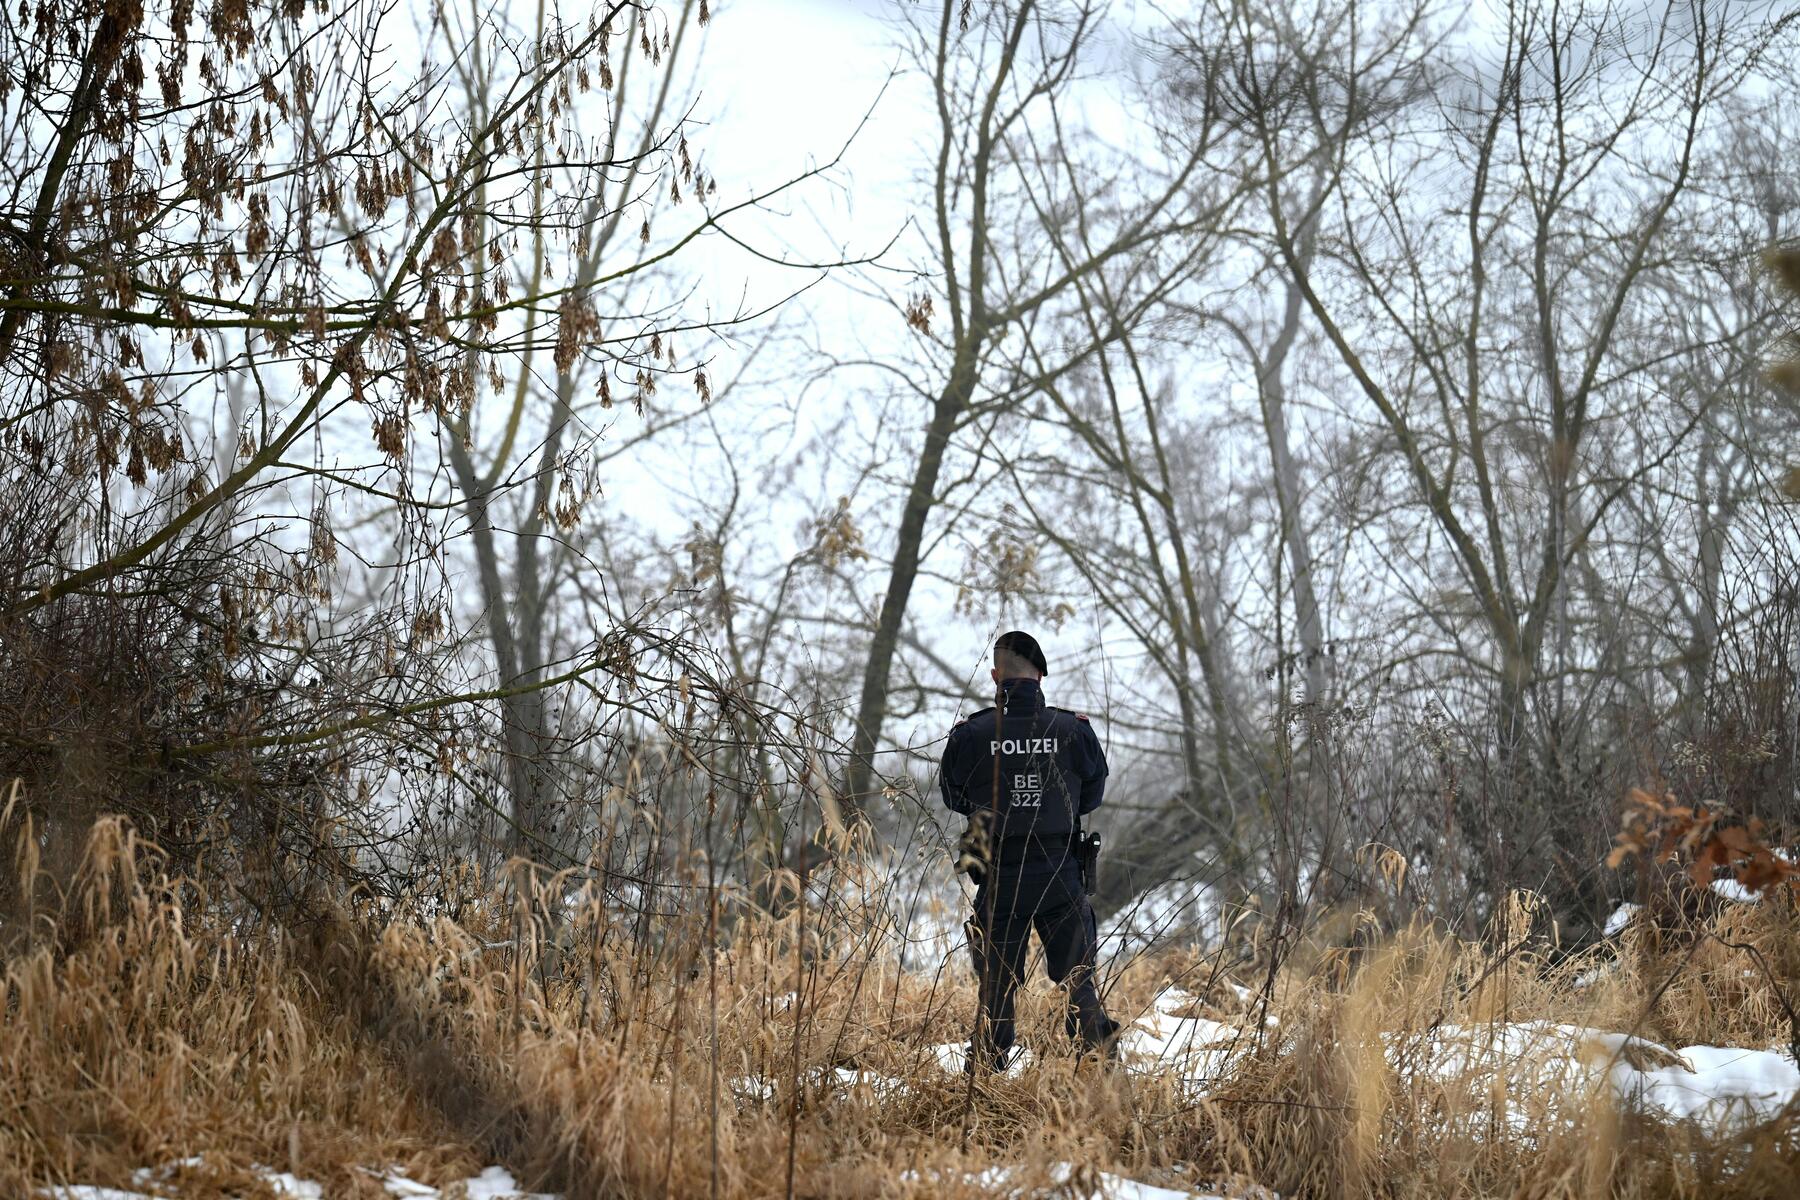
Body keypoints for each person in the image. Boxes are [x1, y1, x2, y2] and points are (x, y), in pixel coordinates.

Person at [939, 630, 1119, 1071]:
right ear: (1041, 674)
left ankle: (984, 1078)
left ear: (996, 676)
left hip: (999, 876)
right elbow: (1091, 797)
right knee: (1079, 981)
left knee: (996, 985)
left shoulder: (972, 734)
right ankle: (1100, 1073)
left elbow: (952, 795)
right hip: (1060, 872)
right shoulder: (1073, 730)